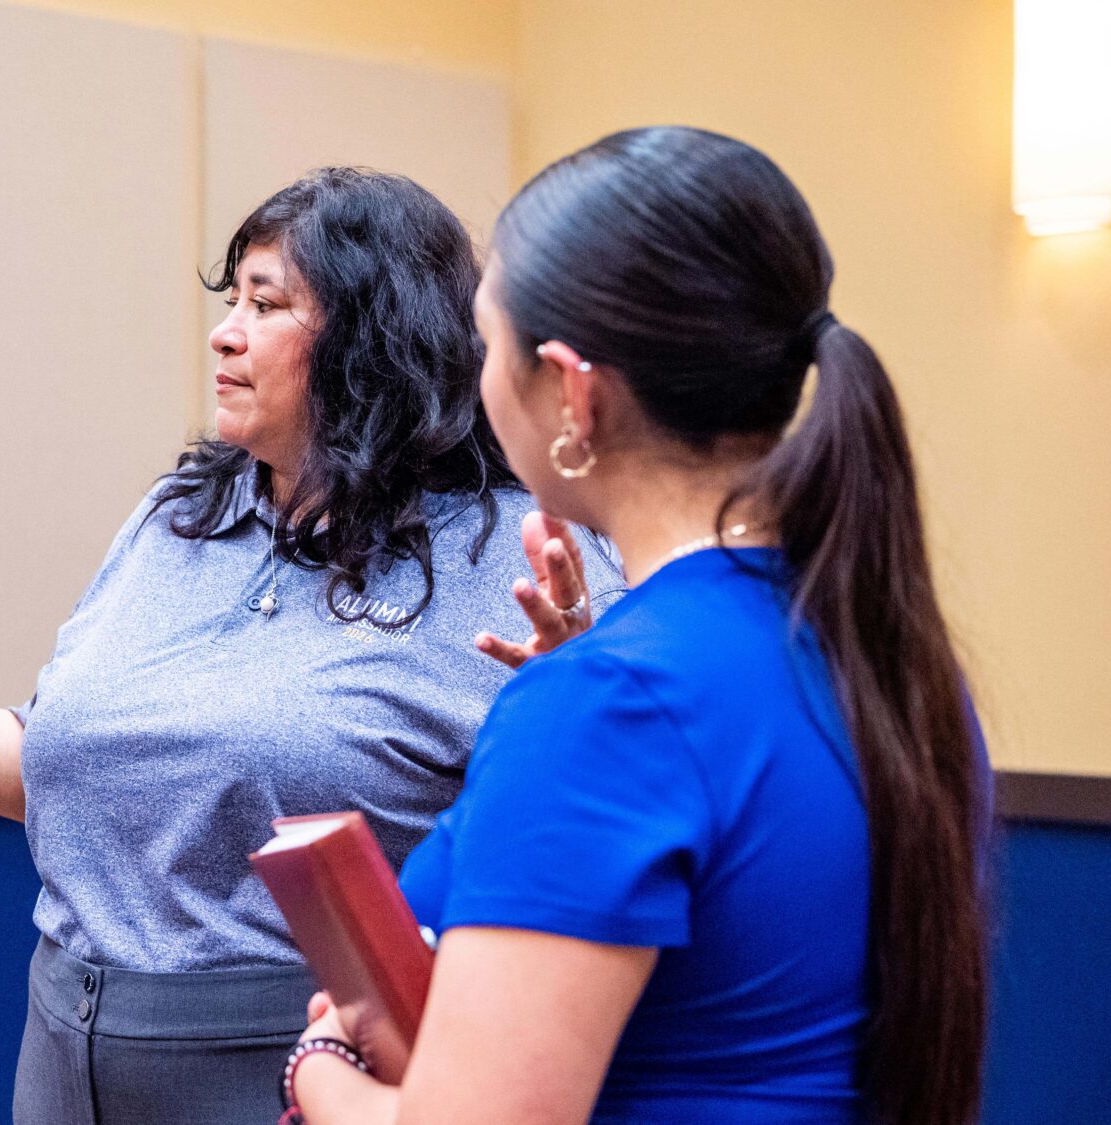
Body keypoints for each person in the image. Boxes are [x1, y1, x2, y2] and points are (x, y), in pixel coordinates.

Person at [0, 167, 618, 1125]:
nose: (224, 329)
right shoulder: (178, 520)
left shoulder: (515, 551)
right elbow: (48, 764)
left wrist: (581, 688)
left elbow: (580, 838)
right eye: (230, 298)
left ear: (371, 339)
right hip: (62, 1042)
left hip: (304, 1064)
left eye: (267, 303)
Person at [287, 126, 991, 1125]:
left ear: (572, 392)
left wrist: (315, 1063)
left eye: (489, 347)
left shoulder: (610, 703)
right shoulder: (887, 656)